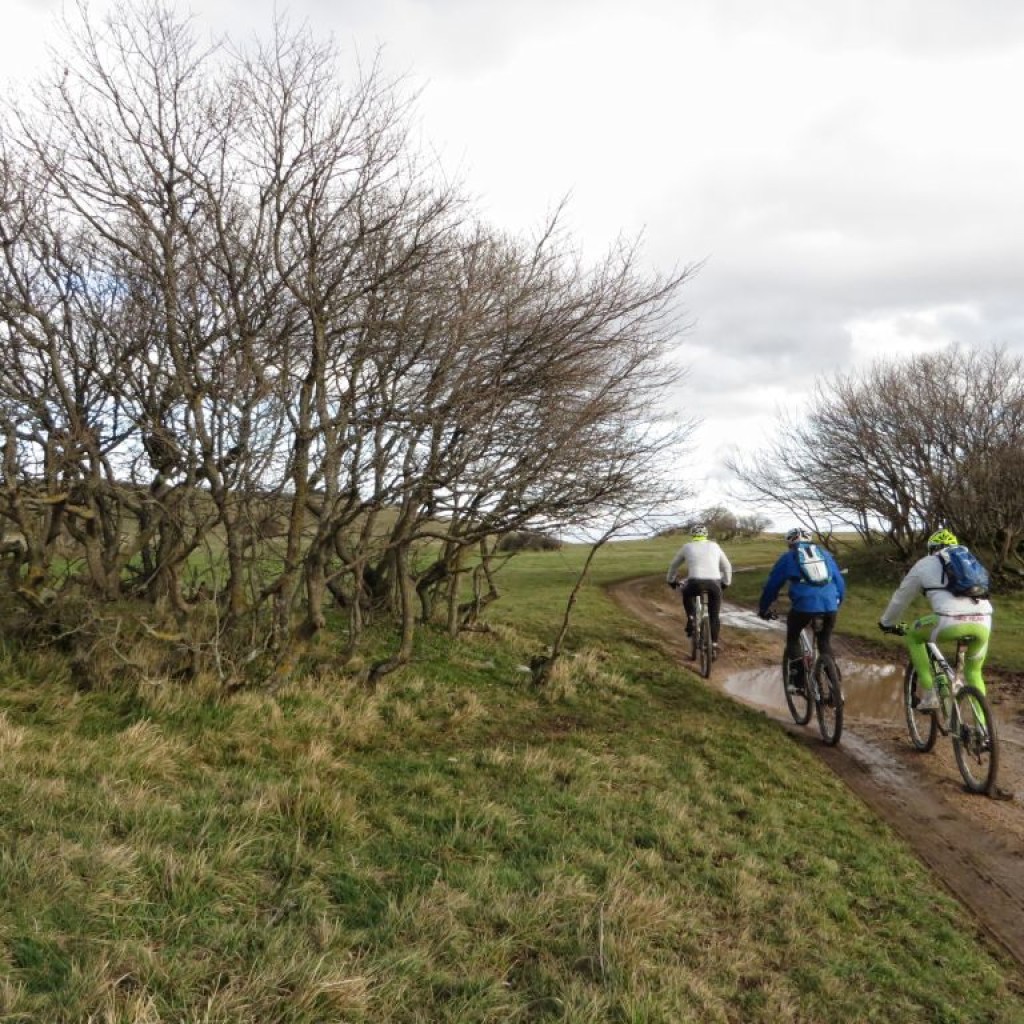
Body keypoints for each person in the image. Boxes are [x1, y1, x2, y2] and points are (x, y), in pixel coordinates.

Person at [877, 528, 993, 710]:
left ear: (932, 548)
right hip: (984, 621)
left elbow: (901, 598)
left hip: (948, 621)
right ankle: (985, 731)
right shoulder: (970, 561)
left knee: (914, 636)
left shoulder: (924, 563)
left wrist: (887, 623)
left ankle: (930, 692)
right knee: (974, 672)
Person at [757, 527, 845, 693]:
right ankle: (835, 685)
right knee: (824, 642)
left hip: (804, 607)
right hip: (830, 606)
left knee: (793, 638)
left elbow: (772, 586)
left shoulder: (788, 557)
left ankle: (798, 682)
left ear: (790, 543)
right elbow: (840, 582)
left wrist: (764, 608)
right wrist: (836, 603)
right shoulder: (825, 555)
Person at [665, 524, 732, 653]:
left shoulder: (687, 547)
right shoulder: (714, 546)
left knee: (687, 593)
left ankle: (691, 618)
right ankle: (713, 645)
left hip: (694, 582)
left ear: (692, 535)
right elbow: (727, 566)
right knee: (714, 616)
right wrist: (726, 583)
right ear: (706, 535)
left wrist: (671, 581)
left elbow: (673, 565)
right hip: (714, 584)